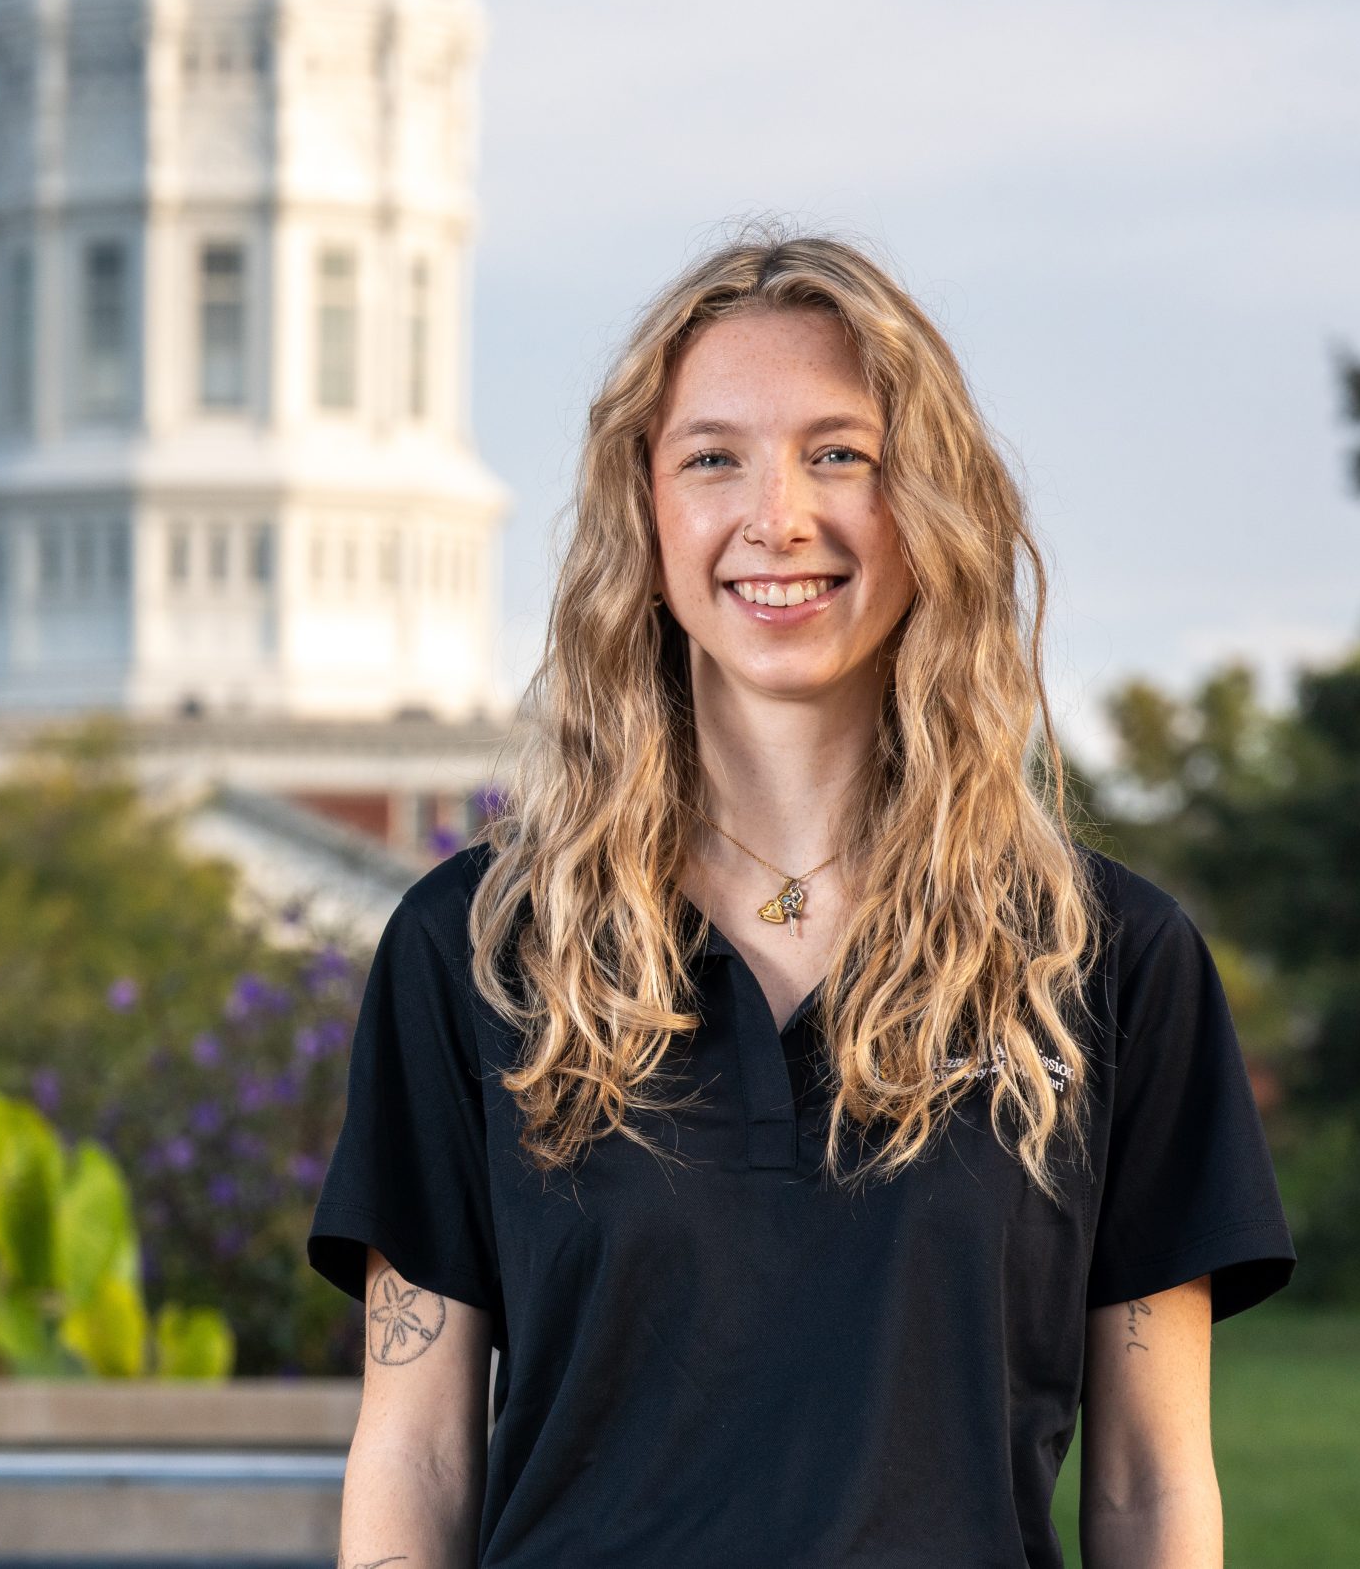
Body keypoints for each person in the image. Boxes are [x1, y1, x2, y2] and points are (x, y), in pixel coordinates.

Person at [308, 232, 1295, 1567]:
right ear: (646, 513)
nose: (776, 517)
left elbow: (1151, 1485)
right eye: (712, 459)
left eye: (839, 455)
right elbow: (417, 1451)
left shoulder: (1106, 961)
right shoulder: (478, 951)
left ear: (929, 505)